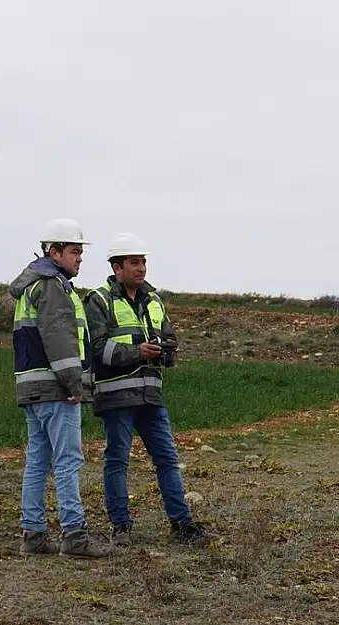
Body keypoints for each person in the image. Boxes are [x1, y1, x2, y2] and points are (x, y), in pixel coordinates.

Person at [83, 232, 217, 547]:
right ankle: (121, 528)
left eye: (143, 261)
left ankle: (181, 525)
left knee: (168, 459)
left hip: (151, 394)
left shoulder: (154, 300)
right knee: (117, 460)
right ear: (117, 267)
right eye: (134, 262)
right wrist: (137, 352)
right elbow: (97, 349)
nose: (141, 268)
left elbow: (169, 338)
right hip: (117, 396)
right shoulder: (98, 300)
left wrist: (166, 350)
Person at [10, 217, 113, 559]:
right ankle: (75, 536)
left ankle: (34, 534)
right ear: (53, 252)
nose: (80, 258)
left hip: (32, 388)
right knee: (68, 461)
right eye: (74, 251)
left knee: (38, 462)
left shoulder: (32, 286)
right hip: (56, 388)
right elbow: (59, 340)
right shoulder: (52, 286)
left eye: (81, 252)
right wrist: (74, 384)